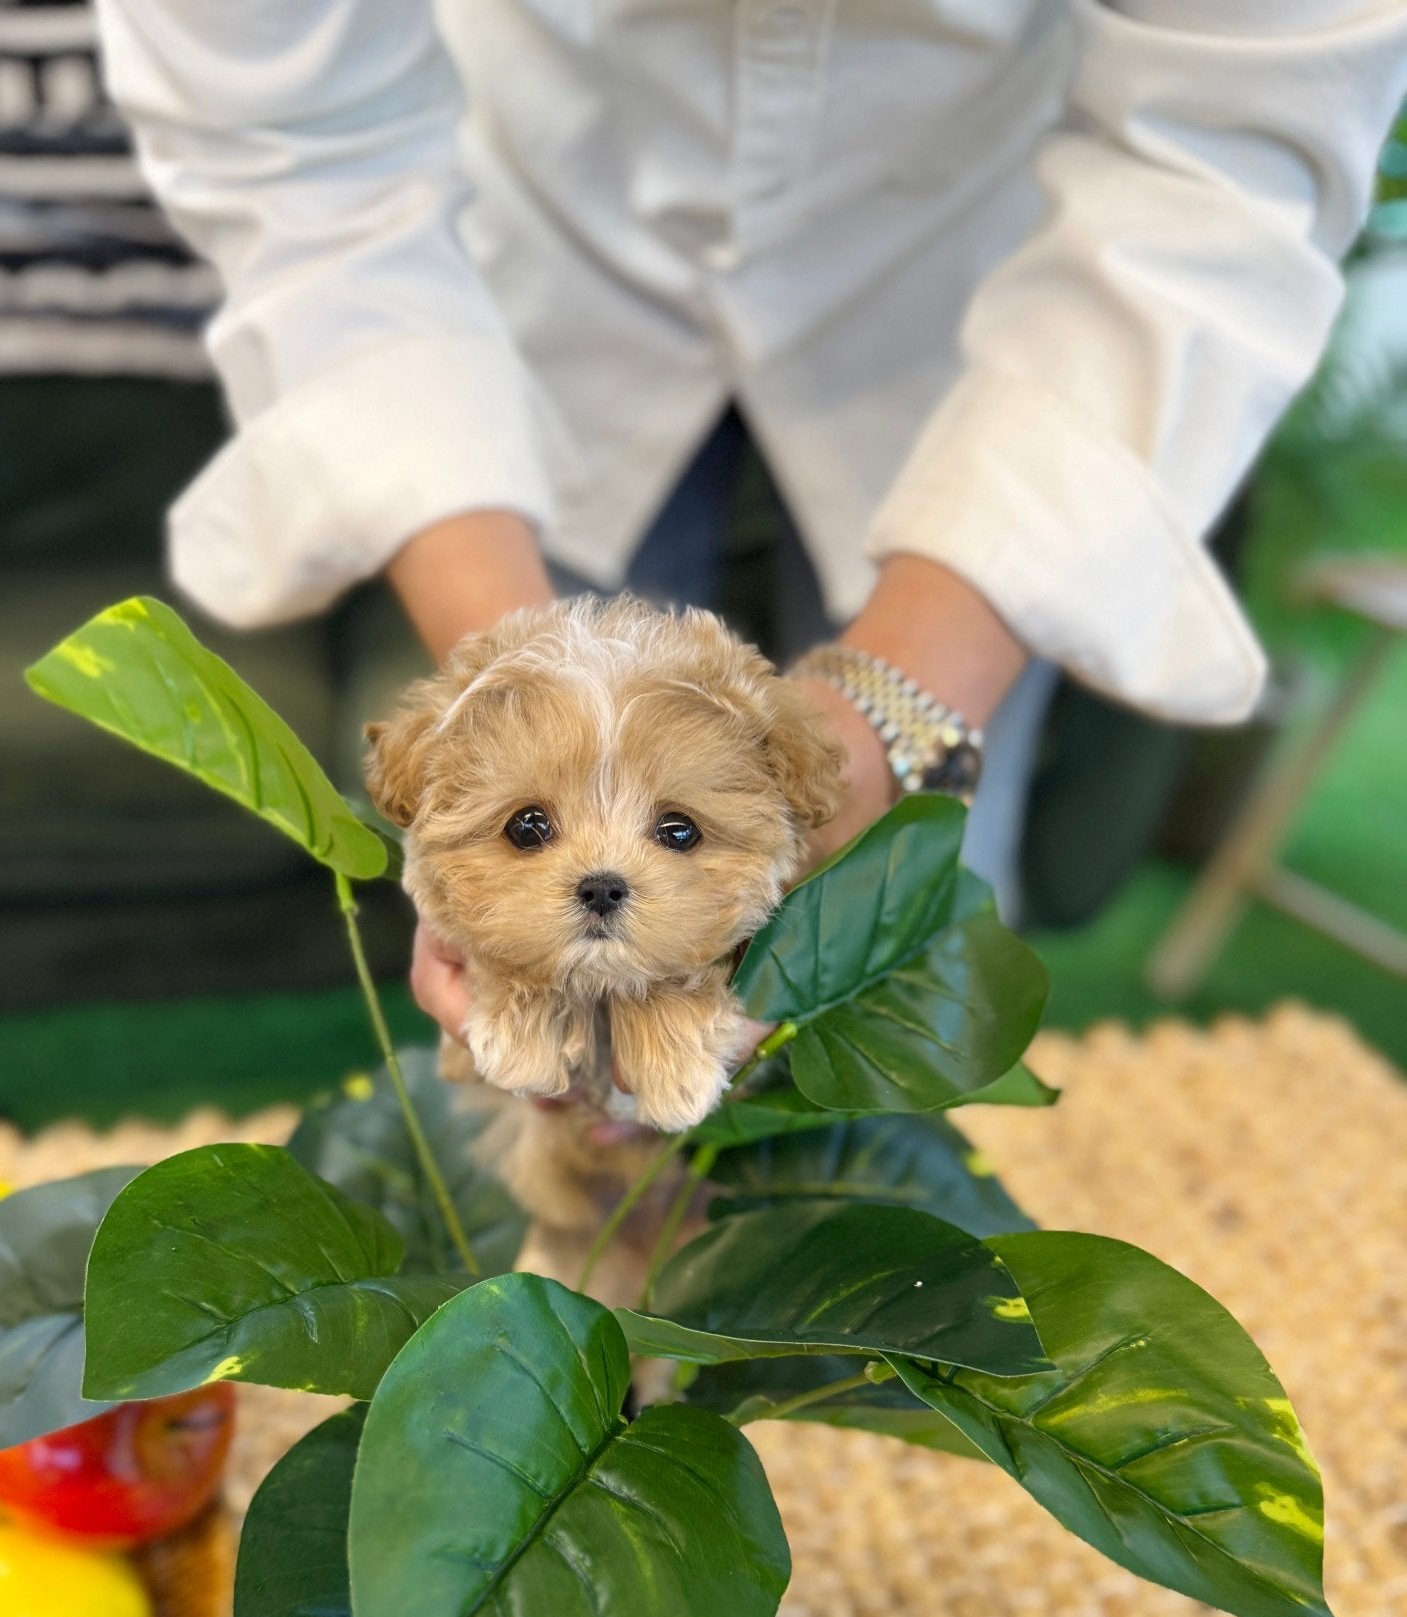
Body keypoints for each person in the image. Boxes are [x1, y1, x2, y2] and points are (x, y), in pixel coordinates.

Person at [97, 0, 1407, 1052]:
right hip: (553, 213)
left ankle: (881, 1297)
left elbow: (1228, 149)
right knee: (545, 994)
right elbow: (291, 148)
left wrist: (899, 703)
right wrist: (522, 710)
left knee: (900, 953)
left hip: (983, 264)